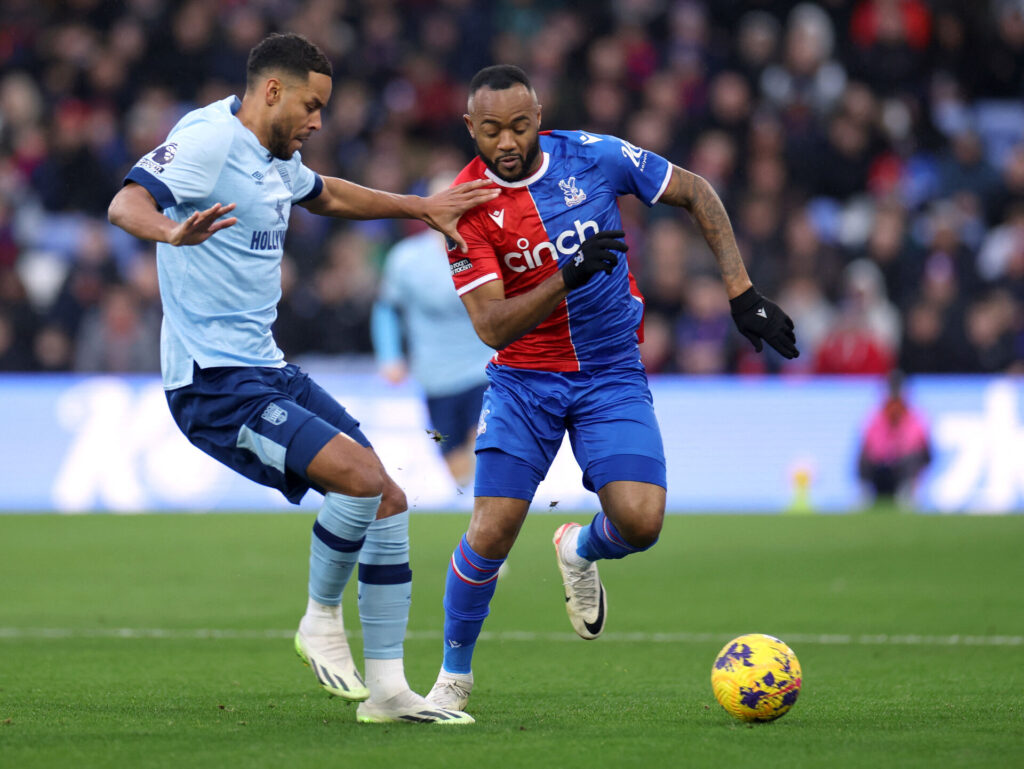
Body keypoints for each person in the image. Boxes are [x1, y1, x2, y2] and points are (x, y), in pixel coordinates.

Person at [107, 32, 498, 725]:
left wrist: (421, 207)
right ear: (272, 91)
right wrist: (172, 234)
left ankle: (387, 693)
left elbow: (327, 195)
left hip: (266, 367)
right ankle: (320, 619)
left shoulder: (273, 157)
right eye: (312, 106)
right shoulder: (206, 139)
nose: (319, 122)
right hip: (211, 381)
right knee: (358, 476)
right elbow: (126, 203)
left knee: (389, 497)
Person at [425, 65, 799, 714]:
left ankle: (578, 546)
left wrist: (741, 292)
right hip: (523, 381)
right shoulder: (463, 206)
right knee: (491, 531)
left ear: (539, 114)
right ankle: (452, 679)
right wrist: (566, 276)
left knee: (642, 521)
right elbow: (490, 325)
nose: (507, 142)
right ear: (470, 129)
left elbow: (697, 191)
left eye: (519, 125)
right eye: (491, 131)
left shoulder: (593, 156)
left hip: (609, 371)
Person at [371, 175, 493, 489]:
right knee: (458, 472)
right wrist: (389, 356)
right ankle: (476, 523)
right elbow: (387, 309)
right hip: (436, 377)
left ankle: (491, 522)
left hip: (487, 370)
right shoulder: (407, 259)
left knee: (485, 447)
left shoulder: (488, 252)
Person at [857, 370, 932, 506]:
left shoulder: (914, 415)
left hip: (903, 466)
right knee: (863, 455)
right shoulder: (877, 416)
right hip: (882, 467)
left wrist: (897, 447)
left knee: (915, 457)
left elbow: (916, 443)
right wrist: (888, 453)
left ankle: (908, 493)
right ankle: (865, 493)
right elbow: (871, 443)